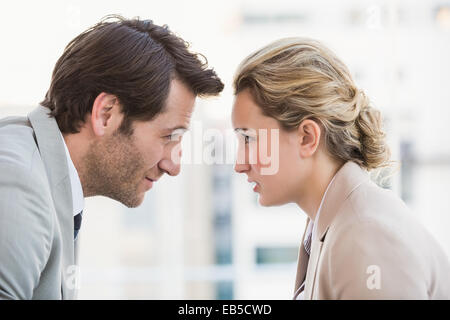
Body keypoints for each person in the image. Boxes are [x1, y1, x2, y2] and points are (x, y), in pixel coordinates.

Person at [0, 15, 223, 299]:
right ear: (106, 114)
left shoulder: (47, 178)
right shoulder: (20, 187)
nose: (173, 165)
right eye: (169, 136)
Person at [232, 37, 450, 299]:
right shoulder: (333, 225)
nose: (239, 164)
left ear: (307, 138)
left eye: (249, 139)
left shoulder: (366, 235)